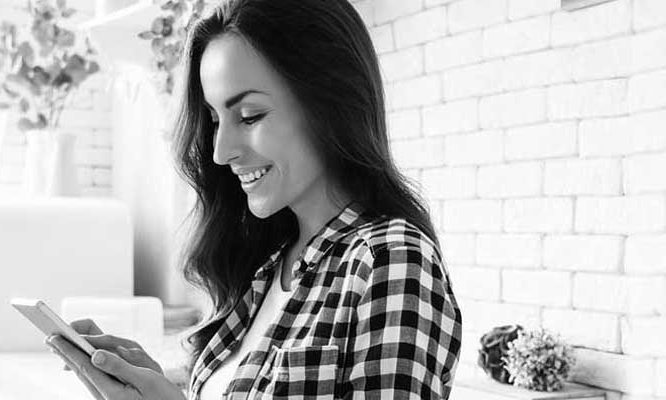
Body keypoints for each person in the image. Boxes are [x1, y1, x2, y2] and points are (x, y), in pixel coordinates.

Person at [46, 0, 462, 398]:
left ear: (331, 103)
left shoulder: (389, 260)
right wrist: (157, 383)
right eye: (214, 120)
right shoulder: (267, 267)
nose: (220, 152)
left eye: (249, 116)